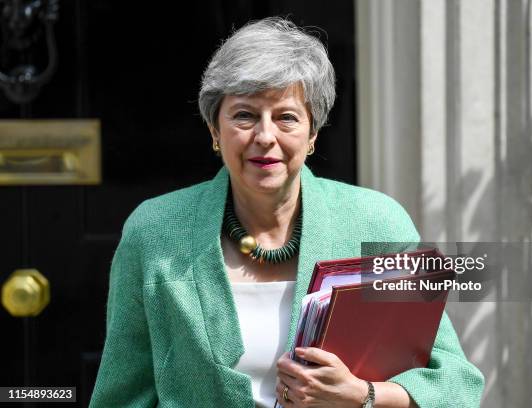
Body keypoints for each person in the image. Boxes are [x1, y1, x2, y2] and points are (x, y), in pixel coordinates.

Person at [89, 17, 484, 408]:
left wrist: (363, 395)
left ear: (312, 133)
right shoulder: (154, 232)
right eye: (244, 115)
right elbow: (123, 396)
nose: (265, 136)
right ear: (214, 130)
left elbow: (455, 385)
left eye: (286, 117)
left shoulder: (376, 222)